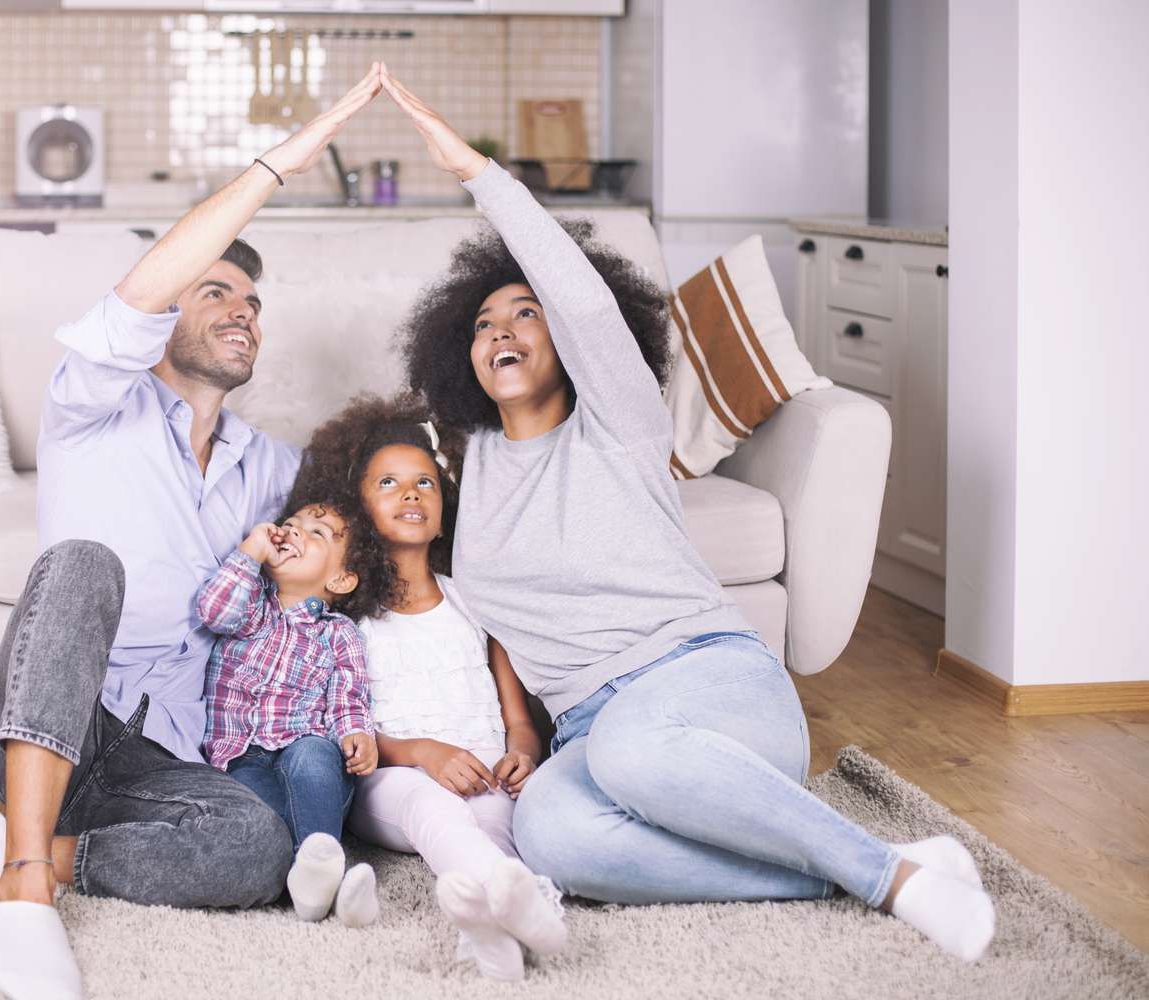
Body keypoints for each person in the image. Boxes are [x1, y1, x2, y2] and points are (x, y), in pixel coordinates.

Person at [387, 65, 997, 964]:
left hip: (708, 687)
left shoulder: (619, 424)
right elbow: (495, 626)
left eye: (527, 311)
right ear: (461, 355)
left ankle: (894, 885)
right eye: (483, 323)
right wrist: (522, 733)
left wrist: (480, 174)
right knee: (555, 838)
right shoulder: (470, 477)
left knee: (636, 757)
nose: (503, 329)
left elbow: (584, 298)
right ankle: (867, 865)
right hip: (593, 727)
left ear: (567, 336)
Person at [0, 63, 389, 1000]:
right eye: (214, 294)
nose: (241, 313)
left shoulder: (276, 473)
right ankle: (23, 895)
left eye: (252, 304)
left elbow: (378, 509)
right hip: (44, 718)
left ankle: (16, 848)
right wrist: (286, 160)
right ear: (165, 312)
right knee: (87, 563)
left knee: (257, 848)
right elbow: (142, 292)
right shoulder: (89, 406)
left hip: (165, 755)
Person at [295, 392, 567, 981]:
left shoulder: (476, 600)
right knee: (431, 805)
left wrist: (522, 751)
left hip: (485, 772)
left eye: (426, 483)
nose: (411, 493)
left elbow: (517, 715)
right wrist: (422, 753)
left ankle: (486, 933)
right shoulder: (347, 616)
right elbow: (343, 730)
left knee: (502, 827)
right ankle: (521, 899)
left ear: (446, 509)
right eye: (388, 483)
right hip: (391, 783)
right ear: (359, 508)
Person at [196, 501, 382, 927]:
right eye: (291, 524)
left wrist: (357, 732)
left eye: (317, 534)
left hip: (304, 743)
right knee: (262, 818)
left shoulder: (337, 632)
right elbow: (213, 610)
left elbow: (348, 693)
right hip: (239, 754)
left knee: (315, 758)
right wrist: (252, 551)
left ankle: (323, 872)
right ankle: (319, 886)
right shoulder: (251, 607)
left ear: (341, 578)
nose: (295, 532)